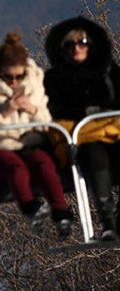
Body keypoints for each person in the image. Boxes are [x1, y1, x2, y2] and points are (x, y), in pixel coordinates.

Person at [0, 31, 72, 237]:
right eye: (8, 77)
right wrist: (5, 111)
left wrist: (31, 109)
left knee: (44, 164)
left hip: (28, 140)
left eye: (19, 76)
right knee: (16, 169)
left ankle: (61, 213)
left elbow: (45, 119)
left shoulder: (33, 84)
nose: (14, 81)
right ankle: (31, 209)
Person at [44, 17, 120, 241]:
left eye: (82, 43)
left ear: (91, 44)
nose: (77, 49)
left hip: (113, 131)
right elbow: (54, 112)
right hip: (81, 138)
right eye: (70, 45)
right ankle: (108, 223)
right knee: (94, 155)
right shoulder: (55, 79)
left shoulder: (107, 72)